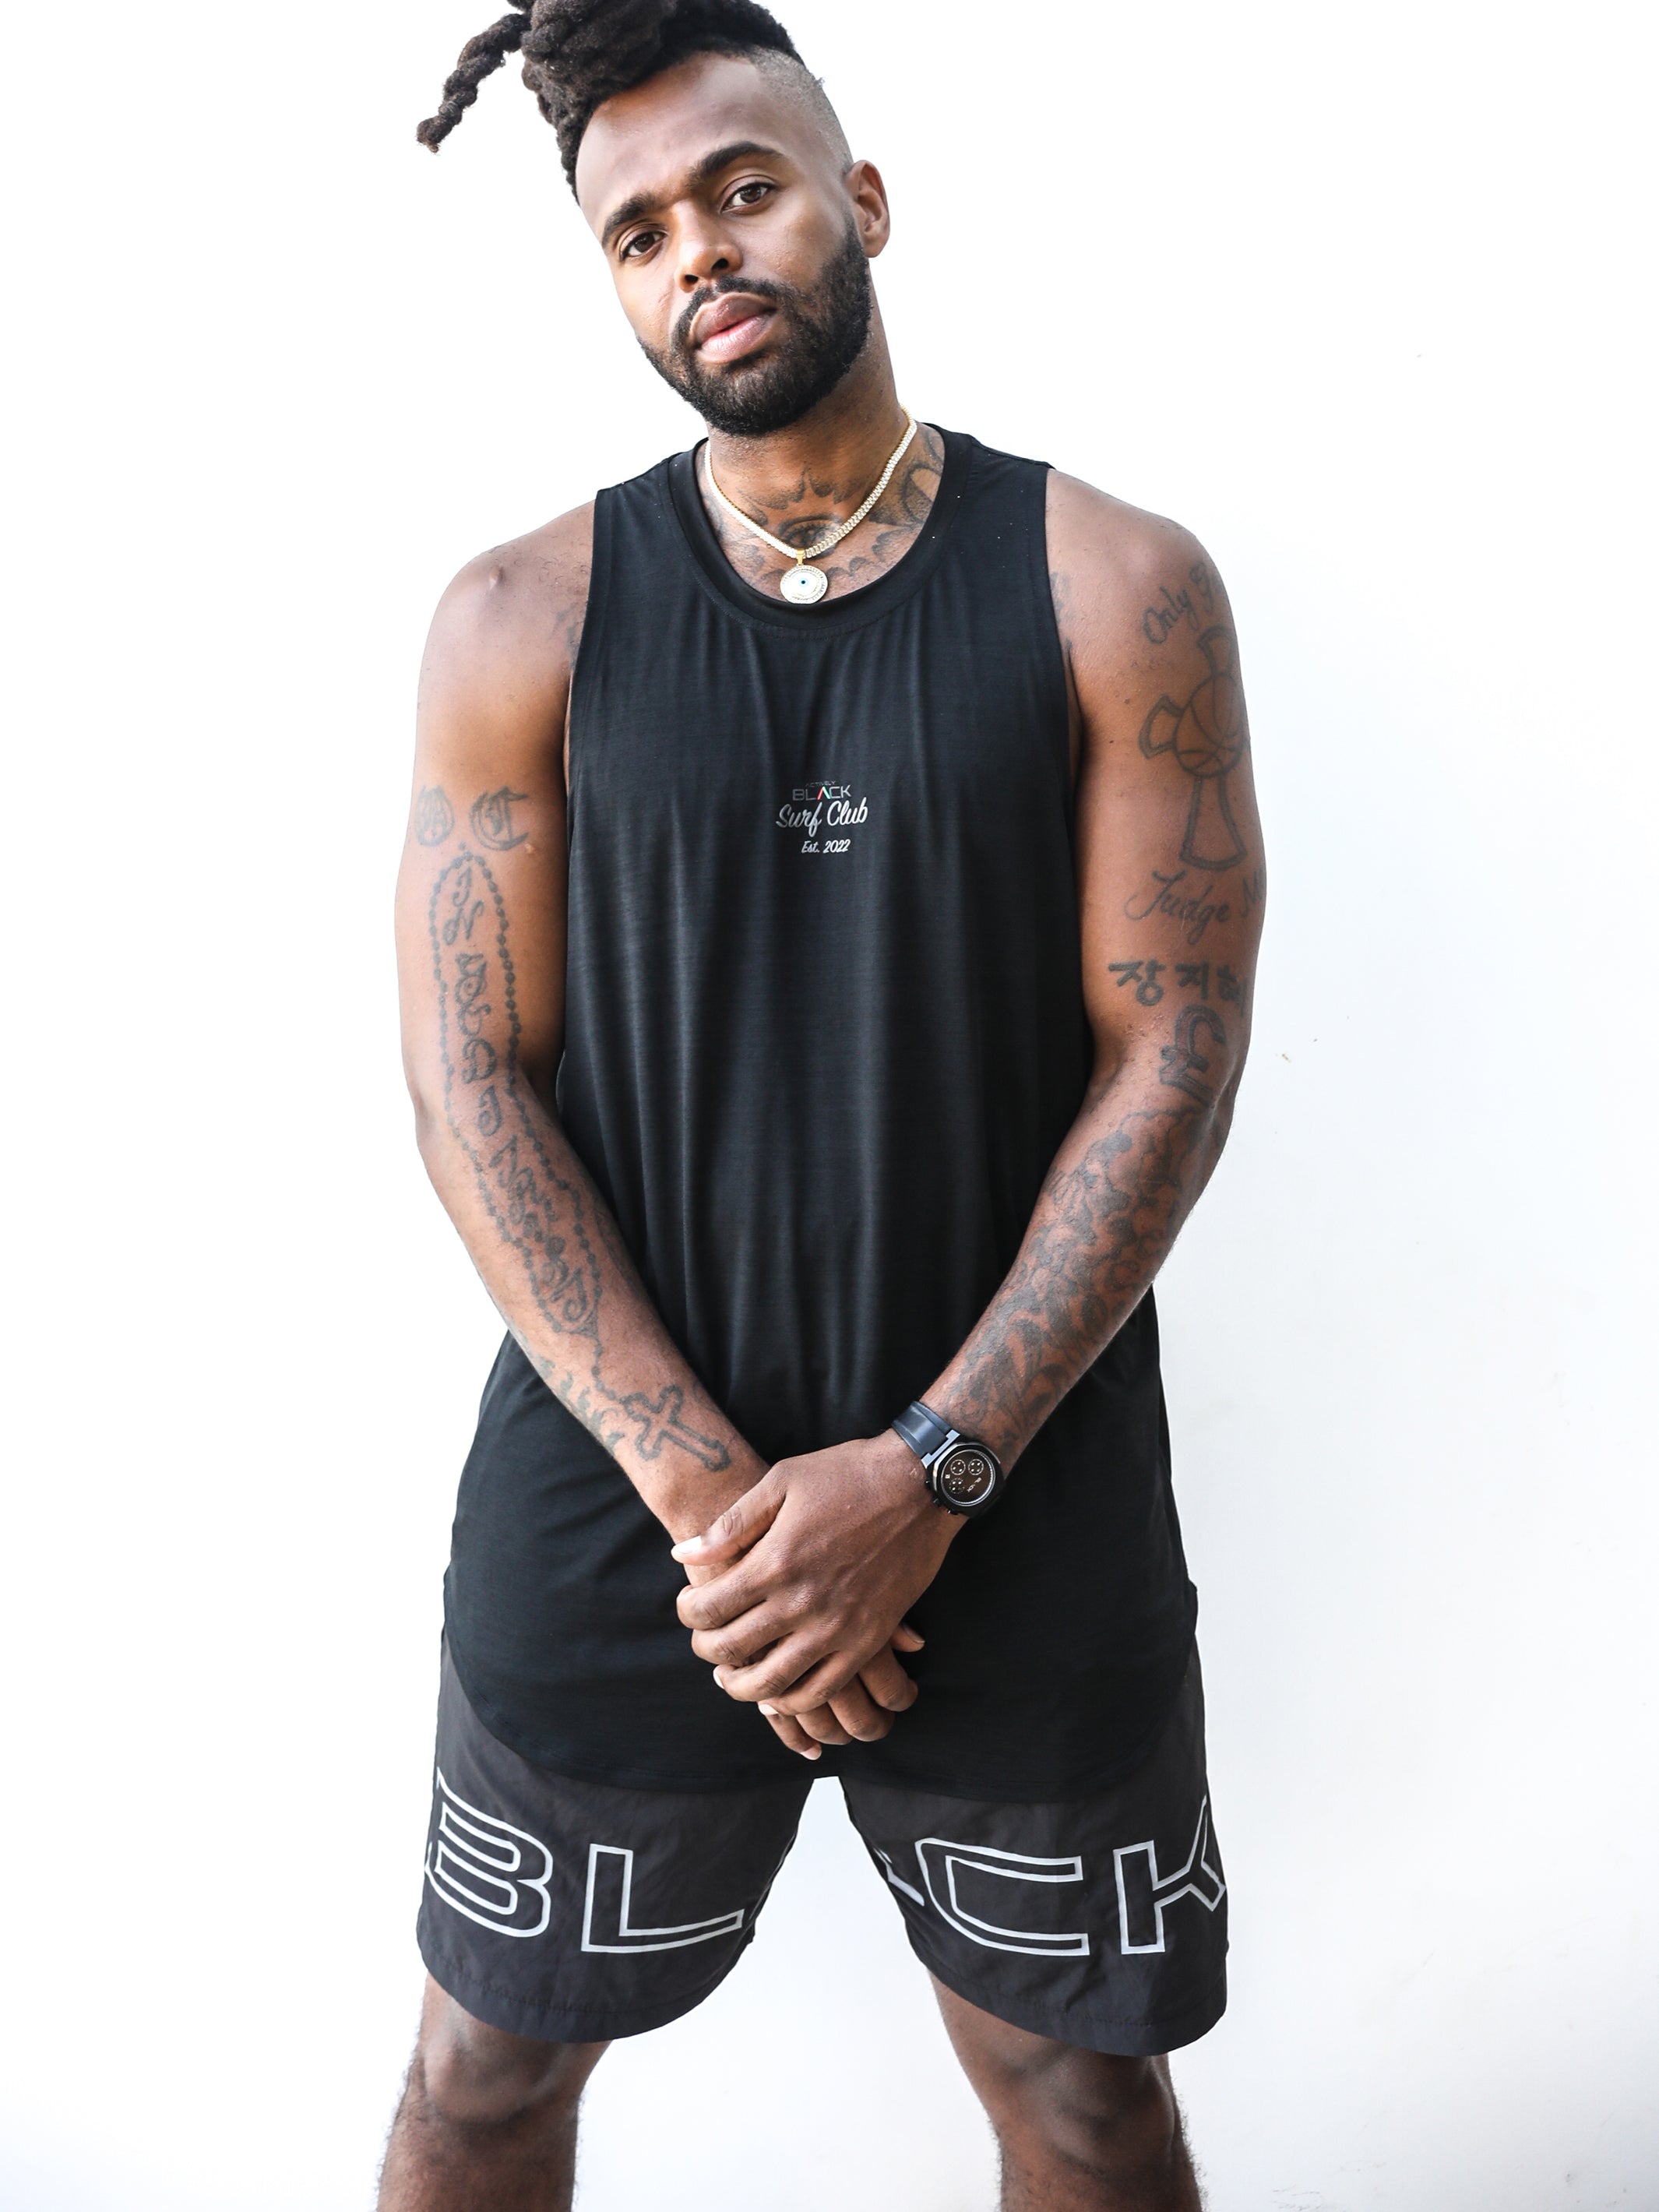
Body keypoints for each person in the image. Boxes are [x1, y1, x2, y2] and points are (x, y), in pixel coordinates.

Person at [386, 4, 1265, 2205]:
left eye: (745, 187)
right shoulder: (517, 619)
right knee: (481, 2081)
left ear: (858, 200)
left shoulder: (1114, 587)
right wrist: (712, 1499)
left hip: (1015, 1481)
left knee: (1085, 2099)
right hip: (629, 1517)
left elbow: (1173, 1047)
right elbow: (469, 1079)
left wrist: (930, 1470)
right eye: (639, 231)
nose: (700, 249)